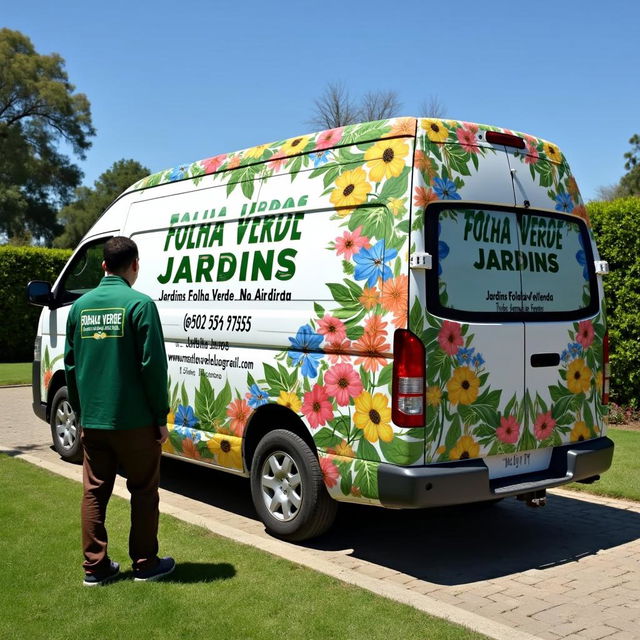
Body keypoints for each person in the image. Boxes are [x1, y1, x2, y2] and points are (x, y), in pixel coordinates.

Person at [64, 236, 175, 586]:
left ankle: (95, 568)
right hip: (136, 423)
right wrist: (160, 417)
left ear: (103, 266)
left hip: (94, 421)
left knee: (94, 491)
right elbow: (153, 367)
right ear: (135, 266)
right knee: (143, 491)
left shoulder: (80, 308)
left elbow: (70, 367)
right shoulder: (140, 305)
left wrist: (81, 415)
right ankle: (145, 564)